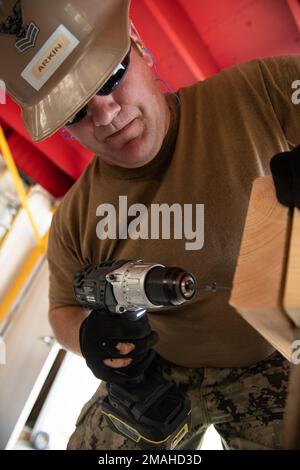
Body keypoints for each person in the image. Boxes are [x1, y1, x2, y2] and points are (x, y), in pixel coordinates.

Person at [1, 0, 300, 450]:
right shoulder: (76, 216)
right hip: (159, 376)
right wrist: (85, 337)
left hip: (278, 359)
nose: (104, 116)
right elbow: (62, 309)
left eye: (110, 79)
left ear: (139, 46)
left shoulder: (256, 93)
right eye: (77, 113)